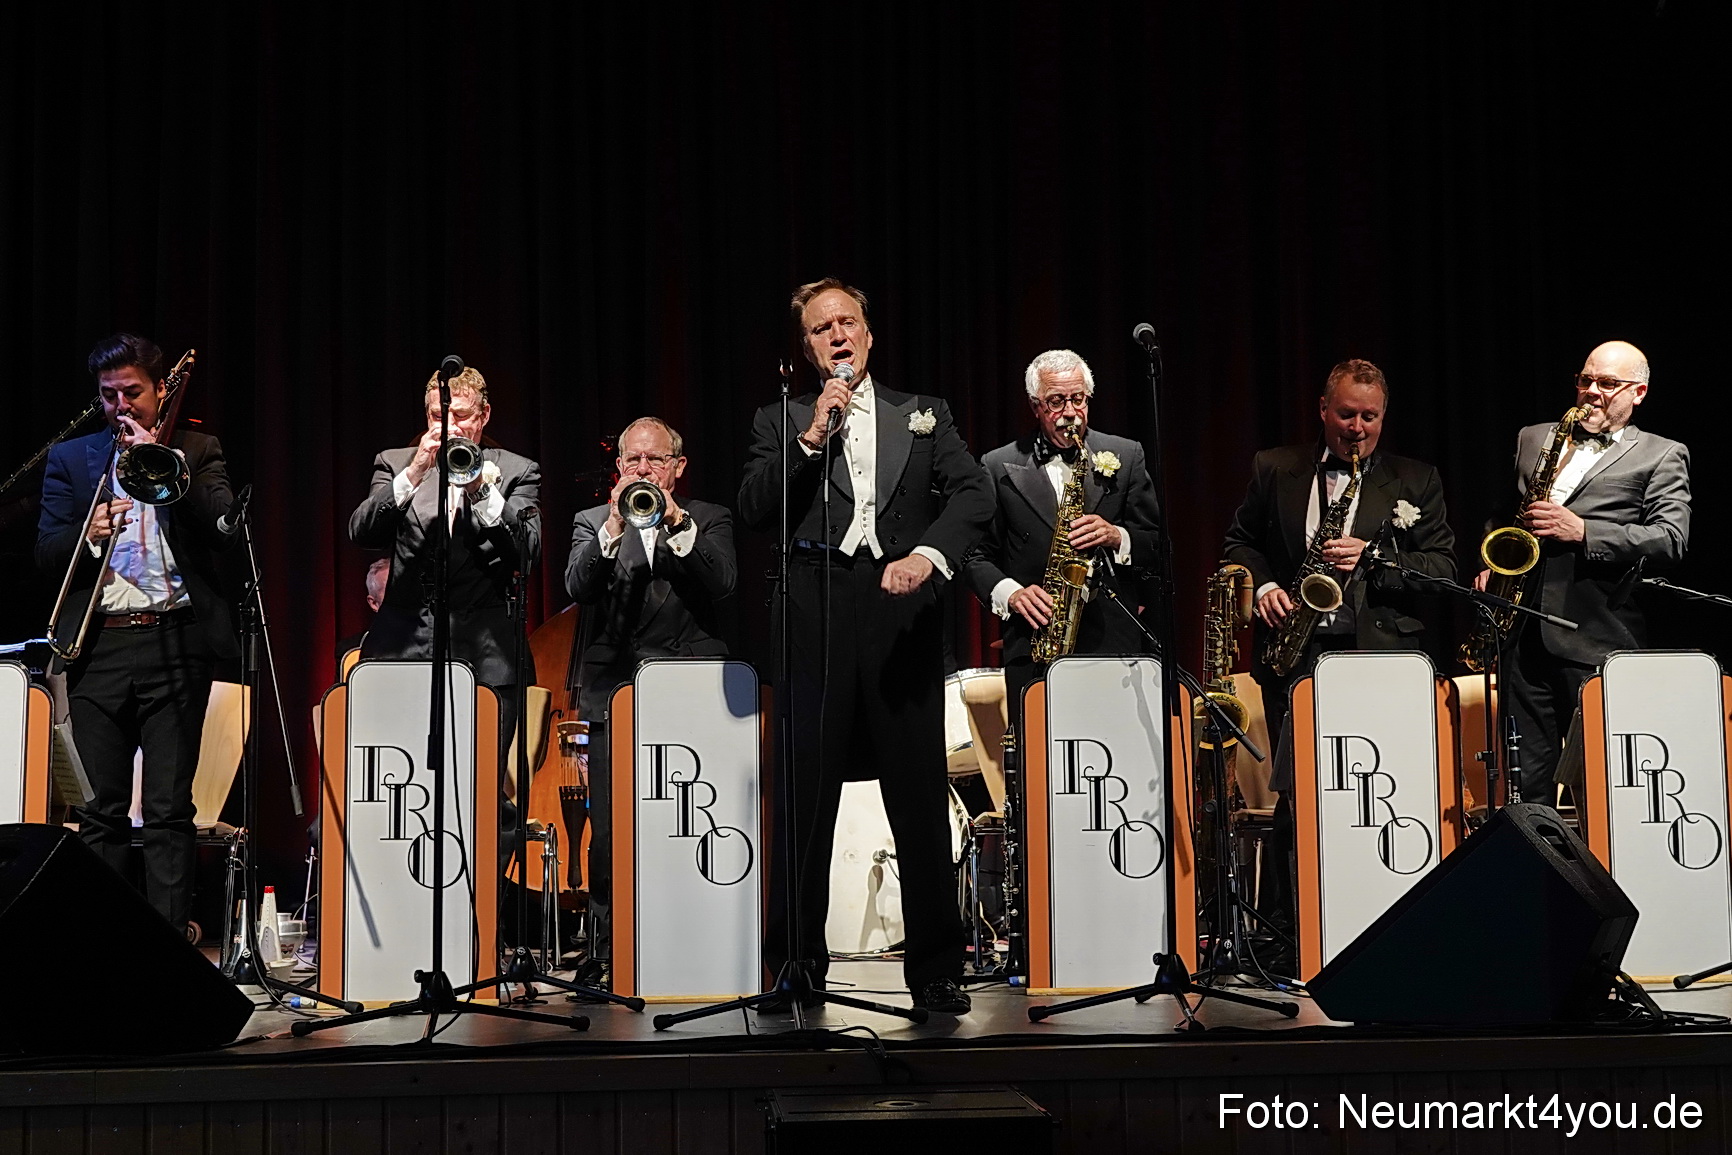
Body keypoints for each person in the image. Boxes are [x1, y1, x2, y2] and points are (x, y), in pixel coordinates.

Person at [739, 278, 992, 1014]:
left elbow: (973, 495)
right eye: (821, 329)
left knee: (915, 798)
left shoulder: (923, 414)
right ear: (808, 347)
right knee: (806, 801)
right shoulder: (781, 418)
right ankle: (795, 965)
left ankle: (937, 969)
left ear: (870, 335)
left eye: (848, 322)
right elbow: (757, 506)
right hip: (813, 606)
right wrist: (812, 434)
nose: (838, 335)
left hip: (898, 608)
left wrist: (931, 556)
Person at [1221, 359, 1456, 927]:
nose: (1357, 428)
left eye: (1369, 417)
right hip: (1295, 654)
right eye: (1347, 414)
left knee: (1376, 791)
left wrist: (1376, 560)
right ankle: (1287, 928)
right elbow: (1239, 543)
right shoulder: (1275, 467)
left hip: (1377, 660)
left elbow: (1444, 567)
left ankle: (1383, 917)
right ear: (1323, 411)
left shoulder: (1415, 479)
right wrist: (1266, 587)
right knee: (1297, 797)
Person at [36, 333, 239, 933]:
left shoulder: (198, 449)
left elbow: (224, 528)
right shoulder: (72, 460)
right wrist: (91, 533)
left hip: (176, 641)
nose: (121, 407)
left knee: (169, 811)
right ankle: (107, 951)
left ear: (159, 389)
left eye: (132, 393)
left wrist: (167, 462)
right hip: (100, 646)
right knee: (99, 812)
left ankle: (169, 958)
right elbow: (46, 553)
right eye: (108, 396)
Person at [1478, 340, 1690, 804]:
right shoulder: (1532, 437)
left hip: (1595, 635)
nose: (1592, 391)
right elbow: (1501, 513)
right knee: (1525, 784)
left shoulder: (1662, 454)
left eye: (1608, 384)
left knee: (1599, 785)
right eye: (1586, 380)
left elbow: (1671, 539)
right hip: (1520, 630)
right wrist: (1490, 562)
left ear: (1639, 392)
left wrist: (1585, 532)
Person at [565, 416, 736, 979]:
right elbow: (577, 586)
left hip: (689, 691)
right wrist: (615, 526)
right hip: (615, 690)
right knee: (610, 830)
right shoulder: (593, 521)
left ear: (677, 468)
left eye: (654, 461)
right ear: (618, 469)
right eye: (632, 461)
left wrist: (678, 522)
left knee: (689, 820)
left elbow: (722, 582)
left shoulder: (707, 518)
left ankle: (697, 938)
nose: (642, 470)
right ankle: (606, 951)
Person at [348, 365, 541, 766]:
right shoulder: (394, 461)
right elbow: (362, 532)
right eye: (439, 416)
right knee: (402, 779)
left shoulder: (517, 470)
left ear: (484, 415)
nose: (451, 426)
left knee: (479, 785)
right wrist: (415, 471)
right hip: (402, 650)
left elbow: (528, 552)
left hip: (488, 657)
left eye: (463, 416)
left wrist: (480, 489)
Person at [963, 348, 1161, 720]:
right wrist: (1013, 593)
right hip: (1036, 641)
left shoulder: (1127, 454)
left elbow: (1156, 544)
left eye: (1078, 399)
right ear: (1035, 405)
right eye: (1056, 401)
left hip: (1112, 644)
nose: (1070, 412)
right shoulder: (995, 465)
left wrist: (1118, 536)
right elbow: (974, 555)